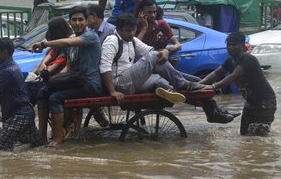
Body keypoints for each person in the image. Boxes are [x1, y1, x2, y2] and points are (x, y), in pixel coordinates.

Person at [101, 13, 236, 124]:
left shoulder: (132, 40)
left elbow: (151, 51)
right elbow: (105, 67)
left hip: (131, 81)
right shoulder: (112, 41)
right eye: (128, 31)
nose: (131, 33)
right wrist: (112, 92)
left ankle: (169, 89)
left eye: (133, 30)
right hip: (119, 83)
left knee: (160, 79)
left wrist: (165, 51)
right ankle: (185, 85)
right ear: (119, 29)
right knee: (155, 59)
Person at [32, 6, 103, 147]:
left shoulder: (90, 36)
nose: (77, 23)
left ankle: (58, 139)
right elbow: (68, 67)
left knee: (55, 97)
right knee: (43, 92)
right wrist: (53, 80)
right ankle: (41, 136)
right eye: (74, 20)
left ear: (87, 21)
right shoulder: (71, 39)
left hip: (90, 84)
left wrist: (43, 43)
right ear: (70, 22)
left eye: (81, 19)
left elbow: (67, 43)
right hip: (75, 80)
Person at [198, 32, 277, 136]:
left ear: (242, 46)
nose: (230, 47)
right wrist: (198, 84)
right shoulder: (230, 61)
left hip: (265, 104)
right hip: (250, 103)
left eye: (234, 45)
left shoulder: (248, 59)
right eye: (228, 45)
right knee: (244, 135)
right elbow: (216, 73)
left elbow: (233, 76)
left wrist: (213, 87)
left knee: (260, 138)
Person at [0, 38, 42, 150]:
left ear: (4, 53)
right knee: (35, 146)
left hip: (20, 116)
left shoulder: (8, 71)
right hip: (19, 112)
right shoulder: (6, 67)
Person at [26, 17, 71, 104]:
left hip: (61, 81)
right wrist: (41, 66)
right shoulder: (55, 49)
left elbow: (55, 66)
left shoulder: (66, 50)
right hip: (53, 79)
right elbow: (44, 62)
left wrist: (44, 72)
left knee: (38, 90)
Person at [136, 0, 181, 66]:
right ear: (141, 12)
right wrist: (144, 28)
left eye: (154, 12)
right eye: (149, 12)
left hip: (157, 55)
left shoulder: (162, 24)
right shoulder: (135, 26)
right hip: (143, 57)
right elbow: (135, 47)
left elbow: (178, 45)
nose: (152, 15)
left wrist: (166, 49)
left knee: (174, 55)